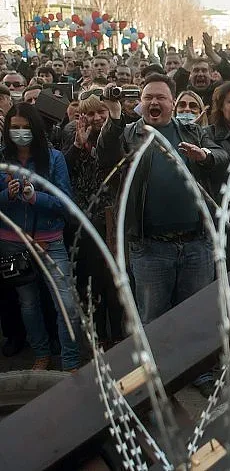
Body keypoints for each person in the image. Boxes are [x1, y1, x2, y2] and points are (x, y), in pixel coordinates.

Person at [96, 74, 224, 326]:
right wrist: (113, 117)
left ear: (172, 103)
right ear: (141, 103)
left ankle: (197, 366)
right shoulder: (129, 134)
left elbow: (221, 156)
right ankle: (159, 367)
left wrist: (205, 156)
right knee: (153, 320)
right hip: (150, 248)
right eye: (148, 98)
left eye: (161, 97)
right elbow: (105, 157)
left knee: (197, 318)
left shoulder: (193, 131)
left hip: (196, 245)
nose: (154, 102)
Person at [0, 103, 80, 371]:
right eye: (15, 128)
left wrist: (36, 197)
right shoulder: (2, 158)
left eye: (25, 128)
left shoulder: (53, 158)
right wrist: (7, 195)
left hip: (49, 241)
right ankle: (41, 354)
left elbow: (65, 202)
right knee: (28, 303)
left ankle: (70, 361)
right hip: (12, 243)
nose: (20, 133)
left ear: (35, 128)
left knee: (66, 304)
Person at [64, 90, 123, 346]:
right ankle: (97, 338)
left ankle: (119, 337)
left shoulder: (117, 137)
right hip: (86, 226)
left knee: (115, 285)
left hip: (112, 222)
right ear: (82, 116)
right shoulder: (73, 139)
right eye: (91, 113)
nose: (97, 117)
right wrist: (77, 145)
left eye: (102, 111)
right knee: (92, 284)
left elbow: (110, 154)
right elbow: (65, 170)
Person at [173, 33, 230, 106]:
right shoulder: (184, 91)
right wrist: (188, 62)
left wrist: (212, 54)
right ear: (190, 74)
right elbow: (173, 88)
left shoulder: (219, 91)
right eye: (196, 70)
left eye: (204, 70)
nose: (200, 74)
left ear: (211, 74)